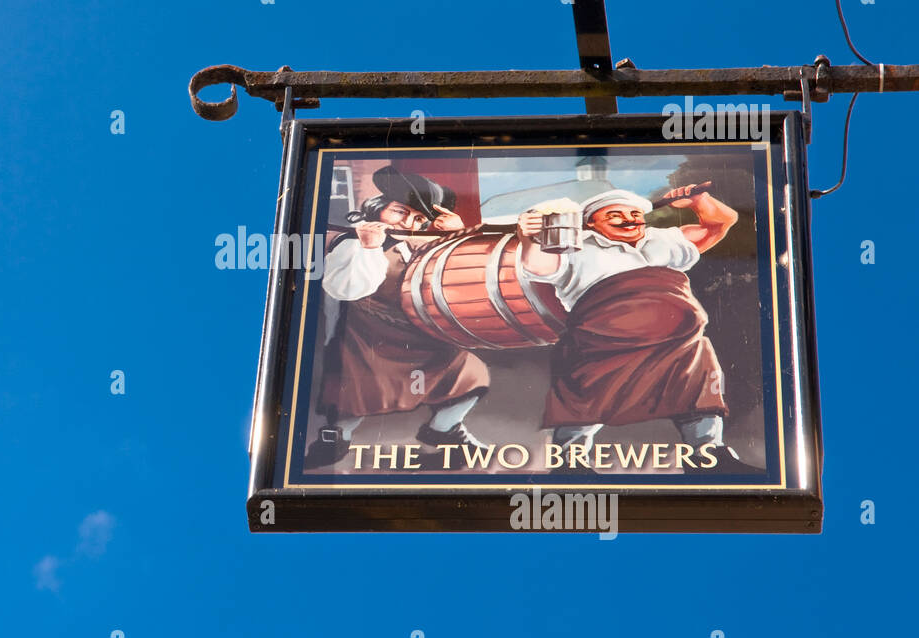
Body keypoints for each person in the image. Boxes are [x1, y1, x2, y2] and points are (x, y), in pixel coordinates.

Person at [515, 184, 750, 472]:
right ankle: (568, 462)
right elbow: (537, 266)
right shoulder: (576, 245)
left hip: (680, 342)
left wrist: (699, 201)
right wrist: (527, 237)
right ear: (591, 222)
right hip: (602, 342)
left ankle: (706, 454)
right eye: (615, 215)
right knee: (583, 395)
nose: (629, 219)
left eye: (635, 213)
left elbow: (720, 223)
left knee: (699, 382)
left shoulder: (665, 240)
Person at [307, 165, 491, 466]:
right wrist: (368, 248)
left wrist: (459, 233)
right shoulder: (352, 243)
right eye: (399, 211)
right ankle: (336, 437)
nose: (409, 222)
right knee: (357, 396)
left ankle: (443, 429)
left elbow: (458, 265)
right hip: (367, 337)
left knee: (469, 376)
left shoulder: (417, 242)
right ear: (379, 208)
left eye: (419, 219)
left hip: (416, 334)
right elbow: (344, 289)